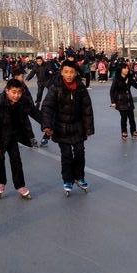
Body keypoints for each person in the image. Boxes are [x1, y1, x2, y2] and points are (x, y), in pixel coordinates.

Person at [41, 60, 95, 196]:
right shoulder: (56, 87)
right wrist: (46, 124)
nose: (69, 75)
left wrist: (88, 128)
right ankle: (68, 180)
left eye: (72, 72)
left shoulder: (81, 88)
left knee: (80, 153)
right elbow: (47, 106)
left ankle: (79, 176)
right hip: (61, 127)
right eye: (66, 72)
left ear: (76, 73)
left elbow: (87, 109)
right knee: (66, 156)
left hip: (78, 127)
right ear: (61, 72)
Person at [0, 79, 36, 200]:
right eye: (13, 92)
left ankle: (20, 186)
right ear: (7, 90)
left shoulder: (22, 101)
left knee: (16, 160)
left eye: (19, 92)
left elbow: (34, 112)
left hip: (11, 135)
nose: (16, 95)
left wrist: (46, 125)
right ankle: (0, 182)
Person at [110, 62, 137, 140]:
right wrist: (113, 101)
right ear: (121, 69)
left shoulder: (129, 78)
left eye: (127, 68)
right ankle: (124, 131)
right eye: (125, 68)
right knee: (123, 118)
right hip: (121, 101)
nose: (127, 70)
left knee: (131, 117)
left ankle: (133, 131)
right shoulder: (116, 79)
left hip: (129, 100)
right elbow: (112, 91)